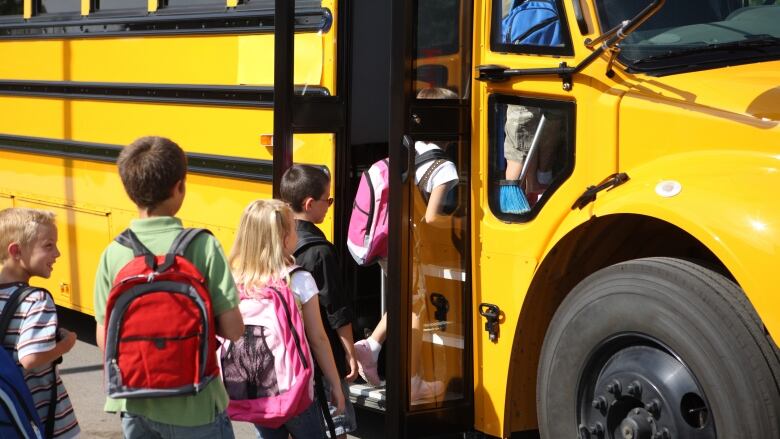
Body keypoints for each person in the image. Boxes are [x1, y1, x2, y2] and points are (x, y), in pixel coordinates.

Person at [93, 136, 244, 439]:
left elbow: (104, 336)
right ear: (179, 187)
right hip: (197, 402)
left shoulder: (114, 253)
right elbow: (233, 329)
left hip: (134, 401)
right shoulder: (203, 246)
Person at [352, 87, 459, 402]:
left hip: (391, 240)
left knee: (404, 302)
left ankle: (371, 346)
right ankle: (411, 381)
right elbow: (431, 218)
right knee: (415, 312)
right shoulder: (445, 168)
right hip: (413, 246)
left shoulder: (411, 148)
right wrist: (463, 224)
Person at [229, 199, 346, 439]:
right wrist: (336, 384)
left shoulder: (235, 281)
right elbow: (318, 339)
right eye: (293, 228)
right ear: (284, 239)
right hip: (295, 392)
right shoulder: (299, 280)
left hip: (255, 388)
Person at [280, 164, 358, 438]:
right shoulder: (320, 252)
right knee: (336, 428)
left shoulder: (276, 243)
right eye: (329, 200)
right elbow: (336, 310)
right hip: (321, 361)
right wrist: (350, 354)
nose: (329, 206)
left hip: (287, 360)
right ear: (310, 203)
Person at [0, 208, 80, 438]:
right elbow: (30, 357)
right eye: (48, 245)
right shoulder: (37, 299)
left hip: (10, 417)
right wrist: (66, 344)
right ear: (16, 251)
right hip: (42, 418)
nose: (58, 253)